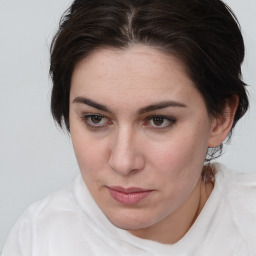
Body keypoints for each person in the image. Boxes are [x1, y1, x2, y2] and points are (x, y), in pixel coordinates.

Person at [2, 0, 256, 255]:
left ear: (221, 118)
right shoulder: (38, 240)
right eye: (96, 119)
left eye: (159, 120)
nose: (123, 162)